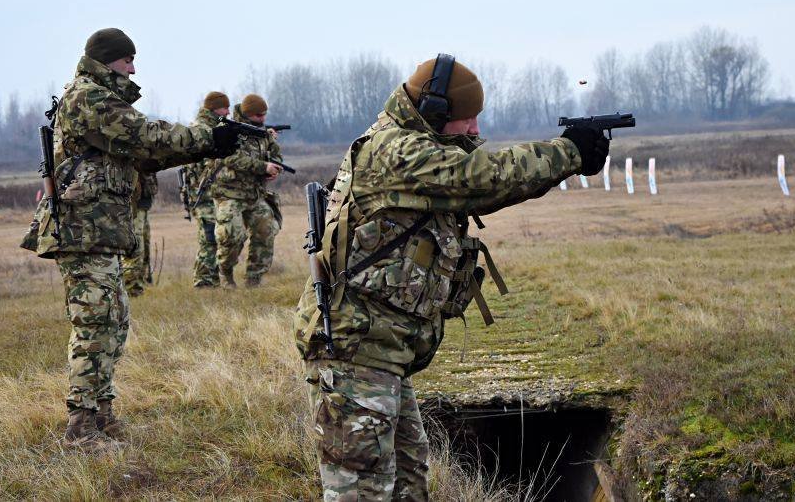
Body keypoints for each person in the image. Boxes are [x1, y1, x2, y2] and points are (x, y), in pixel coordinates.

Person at [293, 55, 609, 500]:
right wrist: (568, 152)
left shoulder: (408, 149)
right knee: (362, 491)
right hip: (354, 353)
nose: (476, 130)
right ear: (437, 114)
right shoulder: (396, 150)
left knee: (408, 487)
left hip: (383, 352)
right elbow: (478, 178)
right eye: (467, 119)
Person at [20, 28, 241, 449]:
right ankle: (80, 428)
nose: (133, 68)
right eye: (127, 61)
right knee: (94, 325)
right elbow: (143, 135)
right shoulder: (90, 98)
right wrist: (206, 137)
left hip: (100, 232)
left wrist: (210, 146)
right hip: (83, 231)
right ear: (107, 61)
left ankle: (102, 414)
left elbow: (146, 155)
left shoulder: (102, 98)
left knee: (115, 321)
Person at [212, 93, 284, 288]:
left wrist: (274, 168)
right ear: (247, 114)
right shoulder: (227, 130)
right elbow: (229, 158)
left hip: (255, 194)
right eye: (258, 116)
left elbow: (276, 156)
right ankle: (225, 275)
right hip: (230, 193)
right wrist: (262, 167)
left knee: (265, 230)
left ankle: (254, 280)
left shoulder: (263, 133)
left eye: (264, 115)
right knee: (231, 235)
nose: (263, 119)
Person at [184, 91, 230, 288]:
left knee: (213, 236)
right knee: (208, 236)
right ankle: (203, 281)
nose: (228, 112)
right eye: (225, 107)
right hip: (201, 192)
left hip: (210, 192)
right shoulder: (201, 129)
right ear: (214, 108)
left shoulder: (215, 127)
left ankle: (210, 280)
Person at [121, 170, 157, 296]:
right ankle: (132, 289)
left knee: (144, 245)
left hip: (143, 202)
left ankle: (141, 282)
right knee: (135, 247)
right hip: (133, 203)